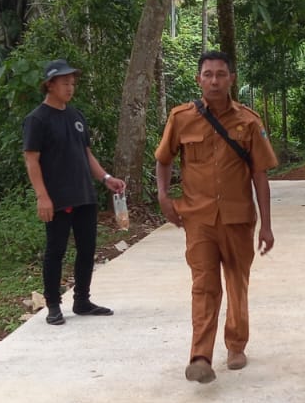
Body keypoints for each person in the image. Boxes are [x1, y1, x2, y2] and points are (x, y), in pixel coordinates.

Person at [154, 50, 279, 383]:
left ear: (231, 79)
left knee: (237, 283)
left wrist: (266, 225)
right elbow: (164, 158)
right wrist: (164, 196)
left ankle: (236, 345)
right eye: (208, 74)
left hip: (238, 218)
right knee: (204, 286)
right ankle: (200, 355)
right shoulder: (181, 118)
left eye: (220, 74)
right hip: (198, 219)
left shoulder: (249, 121)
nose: (214, 80)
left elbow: (260, 176)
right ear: (199, 79)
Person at [22, 59, 127, 325]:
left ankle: (82, 299)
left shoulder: (76, 116)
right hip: (57, 198)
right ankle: (53, 304)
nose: (70, 87)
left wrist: (105, 177)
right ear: (50, 84)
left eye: (72, 83)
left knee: (87, 248)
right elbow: (31, 159)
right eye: (65, 83)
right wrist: (42, 196)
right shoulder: (37, 120)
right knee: (55, 251)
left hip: (84, 194)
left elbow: (85, 153)